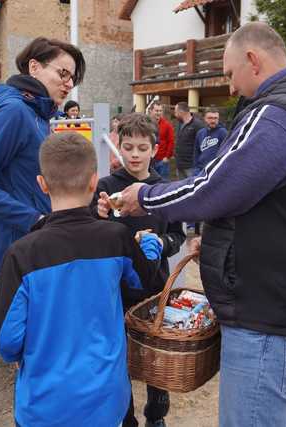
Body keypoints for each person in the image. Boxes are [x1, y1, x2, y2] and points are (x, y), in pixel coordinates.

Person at [109, 22, 286, 426]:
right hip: (278, 305)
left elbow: (218, 186)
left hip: (271, 316)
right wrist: (223, 240)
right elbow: (264, 202)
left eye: (230, 72)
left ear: (253, 60)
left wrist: (145, 197)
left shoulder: (279, 115)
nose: (231, 86)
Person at [0, 132, 163, 426]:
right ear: (94, 181)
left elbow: (6, 342)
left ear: (42, 184)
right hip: (108, 403)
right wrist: (150, 245)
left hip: (43, 407)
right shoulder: (116, 239)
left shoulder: (22, 254)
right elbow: (147, 285)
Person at [0, 37, 85, 277]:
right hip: (21, 251)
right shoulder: (14, 112)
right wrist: (34, 219)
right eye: (63, 74)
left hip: (39, 244)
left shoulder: (38, 115)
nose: (68, 84)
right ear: (34, 67)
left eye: (72, 79)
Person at [91, 113, 185, 427]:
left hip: (156, 288)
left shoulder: (165, 188)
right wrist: (100, 218)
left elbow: (178, 235)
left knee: (156, 357)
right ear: (118, 145)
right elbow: (91, 233)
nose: (134, 154)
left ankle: (156, 416)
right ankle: (126, 416)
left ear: (155, 150)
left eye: (141, 148)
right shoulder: (105, 187)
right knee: (122, 358)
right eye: (128, 146)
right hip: (115, 288)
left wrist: (163, 242)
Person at [173, 102, 204, 179]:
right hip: (180, 165)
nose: (174, 114)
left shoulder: (198, 125)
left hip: (191, 166)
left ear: (181, 112)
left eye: (176, 112)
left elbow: (202, 145)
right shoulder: (179, 123)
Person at [193, 108, 227, 175]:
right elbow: (196, 152)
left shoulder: (223, 132)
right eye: (210, 118)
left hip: (215, 171)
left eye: (215, 118)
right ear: (204, 118)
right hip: (200, 170)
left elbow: (226, 152)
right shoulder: (200, 133)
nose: (213, 121)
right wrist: (195, 169)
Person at [148, 101, 174, 180]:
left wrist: (167, 157)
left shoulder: (167, 125)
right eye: (156, 110)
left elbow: (171, 142)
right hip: (148, 160)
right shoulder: (145, 124)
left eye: (160, 111)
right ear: (151, 111)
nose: (158, 113)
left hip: (162, 161)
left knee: (163, 183)